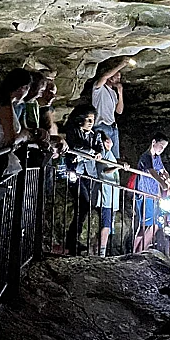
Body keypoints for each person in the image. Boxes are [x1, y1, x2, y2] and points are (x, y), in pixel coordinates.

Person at [63, 105, 99, 255]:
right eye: (88, 119)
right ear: (80, 119)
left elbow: (99, 149)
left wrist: (93, 152)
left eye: (93, 119)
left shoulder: (94, 135)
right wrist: (89, 152)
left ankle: (73, 240)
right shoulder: (73, 132)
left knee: (84, 206)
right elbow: (73, 147)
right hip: (75, 173)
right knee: (84, 204)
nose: (91, 122)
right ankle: (71, 240)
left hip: (88, 173)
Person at [134, 132, 169, 253]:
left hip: (152, 195)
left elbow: (162, 170)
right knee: (150, 225)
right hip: (145, 193)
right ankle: (139, 251)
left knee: (148, 225)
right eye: (161, 146)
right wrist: (162, 183)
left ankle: (137, 251)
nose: (162, 149)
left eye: (164, 148)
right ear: (154, 142)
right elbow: (152, 171)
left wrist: (167, 178)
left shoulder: (157, 157)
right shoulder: (146, 156)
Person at [95, 130, 129, 257]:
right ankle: (101, 251)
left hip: (112, 196)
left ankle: (103, 249)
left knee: (109, 225)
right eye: (106, 140)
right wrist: (118, 167)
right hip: (106, 196)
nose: (109, 142)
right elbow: (104, 171)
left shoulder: (109, 153)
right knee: (106, 224)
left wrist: (119, 164)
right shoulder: (102, 153)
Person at [87, 58, 130, 158]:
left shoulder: (114, 94)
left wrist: (120, 92)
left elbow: (119, 111)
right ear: (110, 77)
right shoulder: (99, 88)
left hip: (112, 127)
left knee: (115, 158)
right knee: (103, 156)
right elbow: (104, 76)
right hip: (101, 126)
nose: (118, 80)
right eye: (116, 77)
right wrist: (121, 64)